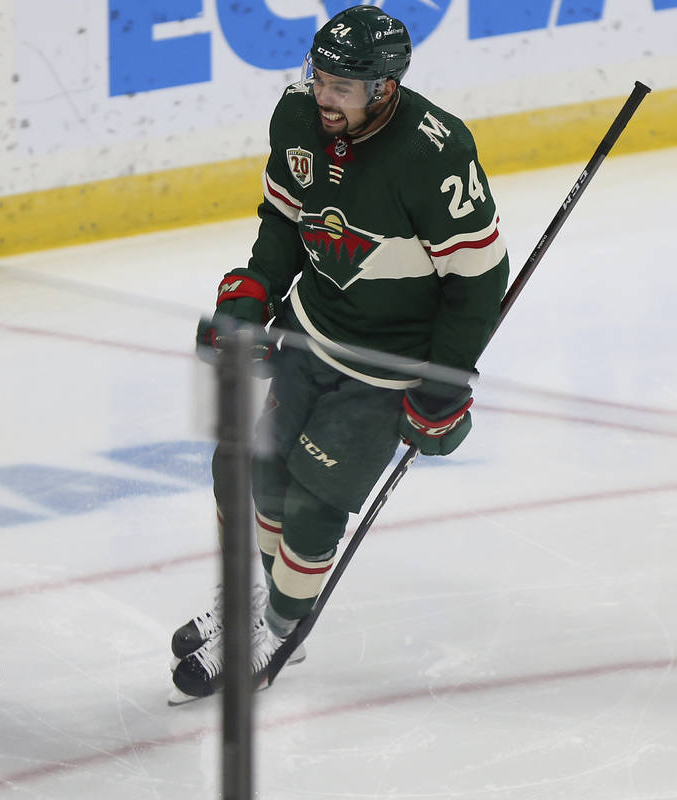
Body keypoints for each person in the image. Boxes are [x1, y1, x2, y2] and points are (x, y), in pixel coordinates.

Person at [169, 5, 509, 702]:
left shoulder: (434, 153)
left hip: (385, 371)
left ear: (384, 88)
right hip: (306, 332)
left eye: (341, 87)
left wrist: (444, 381)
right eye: (318, 77)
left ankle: (282, 630)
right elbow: (285, 220)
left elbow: (480, 281)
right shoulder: (297, 117)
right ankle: (260, 602)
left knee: (315, 505)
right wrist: (255, 288)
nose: (323, 95)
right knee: (253, 473)